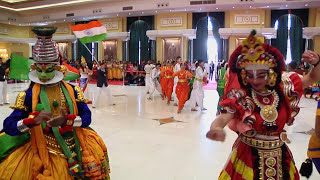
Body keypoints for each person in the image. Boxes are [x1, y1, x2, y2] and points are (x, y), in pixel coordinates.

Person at [206, 31, 320, 179]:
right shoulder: (242, 95)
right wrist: (215, 128)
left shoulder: (284, 87)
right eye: (250, 76)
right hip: (247, 155)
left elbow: (312, 78)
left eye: (261, 75)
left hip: (279, 154)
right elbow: (224, 117)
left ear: (271, 74)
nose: (255, 80)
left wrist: (316, 63)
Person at [0, 27, 110, 180]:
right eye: (39, 70)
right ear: (34, 68)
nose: (43, 75)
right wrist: (31, 121)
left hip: (76, 142)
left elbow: (87, 117)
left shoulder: (73, 90)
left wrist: (68, 120)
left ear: (58, 68)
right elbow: (8, 126)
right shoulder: (28, 95)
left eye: (48, 69)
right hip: (40, 145)